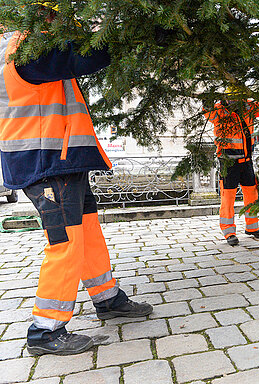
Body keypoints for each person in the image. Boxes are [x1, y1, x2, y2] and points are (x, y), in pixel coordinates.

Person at [0, 3, 152, 356]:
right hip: (48, 162)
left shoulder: (16, 48)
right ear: (38, 16)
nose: (62, 22)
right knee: (65, 242)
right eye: (55, 15)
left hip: (60, 161)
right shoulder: (25, 51)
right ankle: (45, 330)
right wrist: (130, 31)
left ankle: (107, 298)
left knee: (86, 232)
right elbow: (84, 56)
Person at [204, 88, 259, 246]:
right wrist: (206, 100)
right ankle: (228, 231)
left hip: (246, 159)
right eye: (233, 98)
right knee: (228, 197)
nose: (237, 101)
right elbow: (208, 113)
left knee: (252, 193)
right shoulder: (220, 110)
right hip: (228, 161)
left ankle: (252, 228)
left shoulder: (249, 107)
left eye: (239, 97)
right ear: (227, 98)